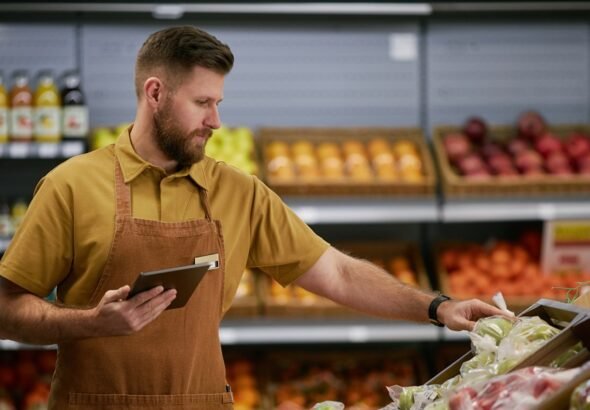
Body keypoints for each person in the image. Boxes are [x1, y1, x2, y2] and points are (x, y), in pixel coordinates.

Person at [0, 26, 507, 409]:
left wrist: (439, 307)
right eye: (202, 102)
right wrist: (90, 323)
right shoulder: (70, 186)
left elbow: (336, 271)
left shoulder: (237, 192)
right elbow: (7, 309)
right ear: (154, 94)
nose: (216, 121)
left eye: (218, 102)